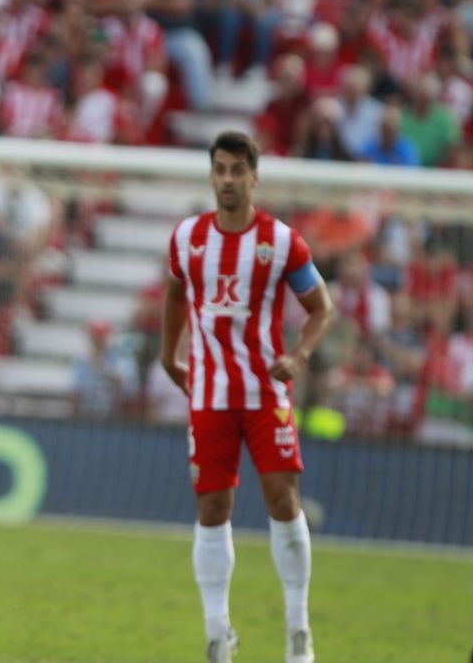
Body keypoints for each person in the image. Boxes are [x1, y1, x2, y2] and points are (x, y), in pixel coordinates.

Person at [159, 131, 334, 663]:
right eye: (221, 169)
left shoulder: (281, 242)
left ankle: (298, 630)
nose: (228, 179)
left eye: (238, 170)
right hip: (209, 395)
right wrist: (169, 355)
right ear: (211, 175)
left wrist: (299, 356)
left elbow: (321, 308)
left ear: (254, 178)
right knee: (212, 507)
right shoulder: (187, 237)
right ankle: (217, 634)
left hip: (264, 392)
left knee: (283, 500)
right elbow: (175, 293)